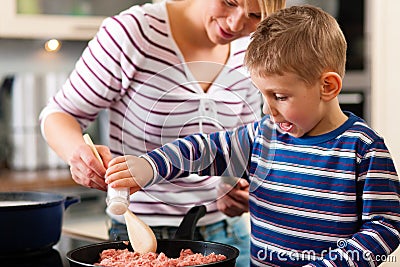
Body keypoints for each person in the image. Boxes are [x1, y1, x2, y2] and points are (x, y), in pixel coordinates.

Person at [104, 5, 400, 266]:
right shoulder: (262, 137)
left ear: (328, 86)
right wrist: (151, 166)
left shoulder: (363, 149)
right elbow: (203, 149)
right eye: (263, 95)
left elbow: (384, 228)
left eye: (280, 96)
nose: (268, 110)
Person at [39, 0, 287, 265]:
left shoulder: (253, 46)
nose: (236, 23)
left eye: (254, 15)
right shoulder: (134, 33)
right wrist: (78, 154)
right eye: (229, 2)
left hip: (227, 236)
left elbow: (240, 146)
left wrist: (237, 188)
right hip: (138, 236)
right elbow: (59, 115)